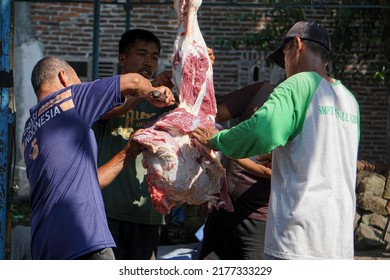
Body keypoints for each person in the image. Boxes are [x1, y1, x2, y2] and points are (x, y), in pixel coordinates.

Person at [192, 21, 360, 259]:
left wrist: (217, 139)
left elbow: (260, 130)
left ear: (297, 45)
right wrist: (284, 154)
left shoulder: (299, 83)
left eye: (284, 54)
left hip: (297, 238)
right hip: (338, 240)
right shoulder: (348, 99)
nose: (285, 69)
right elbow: (327, 153)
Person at [22, 56, 174, 260]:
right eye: (78, 80)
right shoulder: (69, 98)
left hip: (45, 247)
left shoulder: (30, 129)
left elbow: (92, 182)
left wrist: (127, 152)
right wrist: (153, 92)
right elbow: (134, 82)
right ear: (64, 76)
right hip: (83, 239)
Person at [92, 29, 176, 260]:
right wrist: (145, 91)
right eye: (141, 53)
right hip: (107, 211)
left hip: (147, 214)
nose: (148, 61)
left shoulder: (162, 100)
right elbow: (106, 112)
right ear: (122, 59)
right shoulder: (105, 91)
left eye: (154, 56)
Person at [197, 81, 275, 260]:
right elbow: (209, 117)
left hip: (259, 219)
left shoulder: (301, 111)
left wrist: (223, 145)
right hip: (222, 209)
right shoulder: (261, 91)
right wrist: (203, 74)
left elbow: (269, 172)